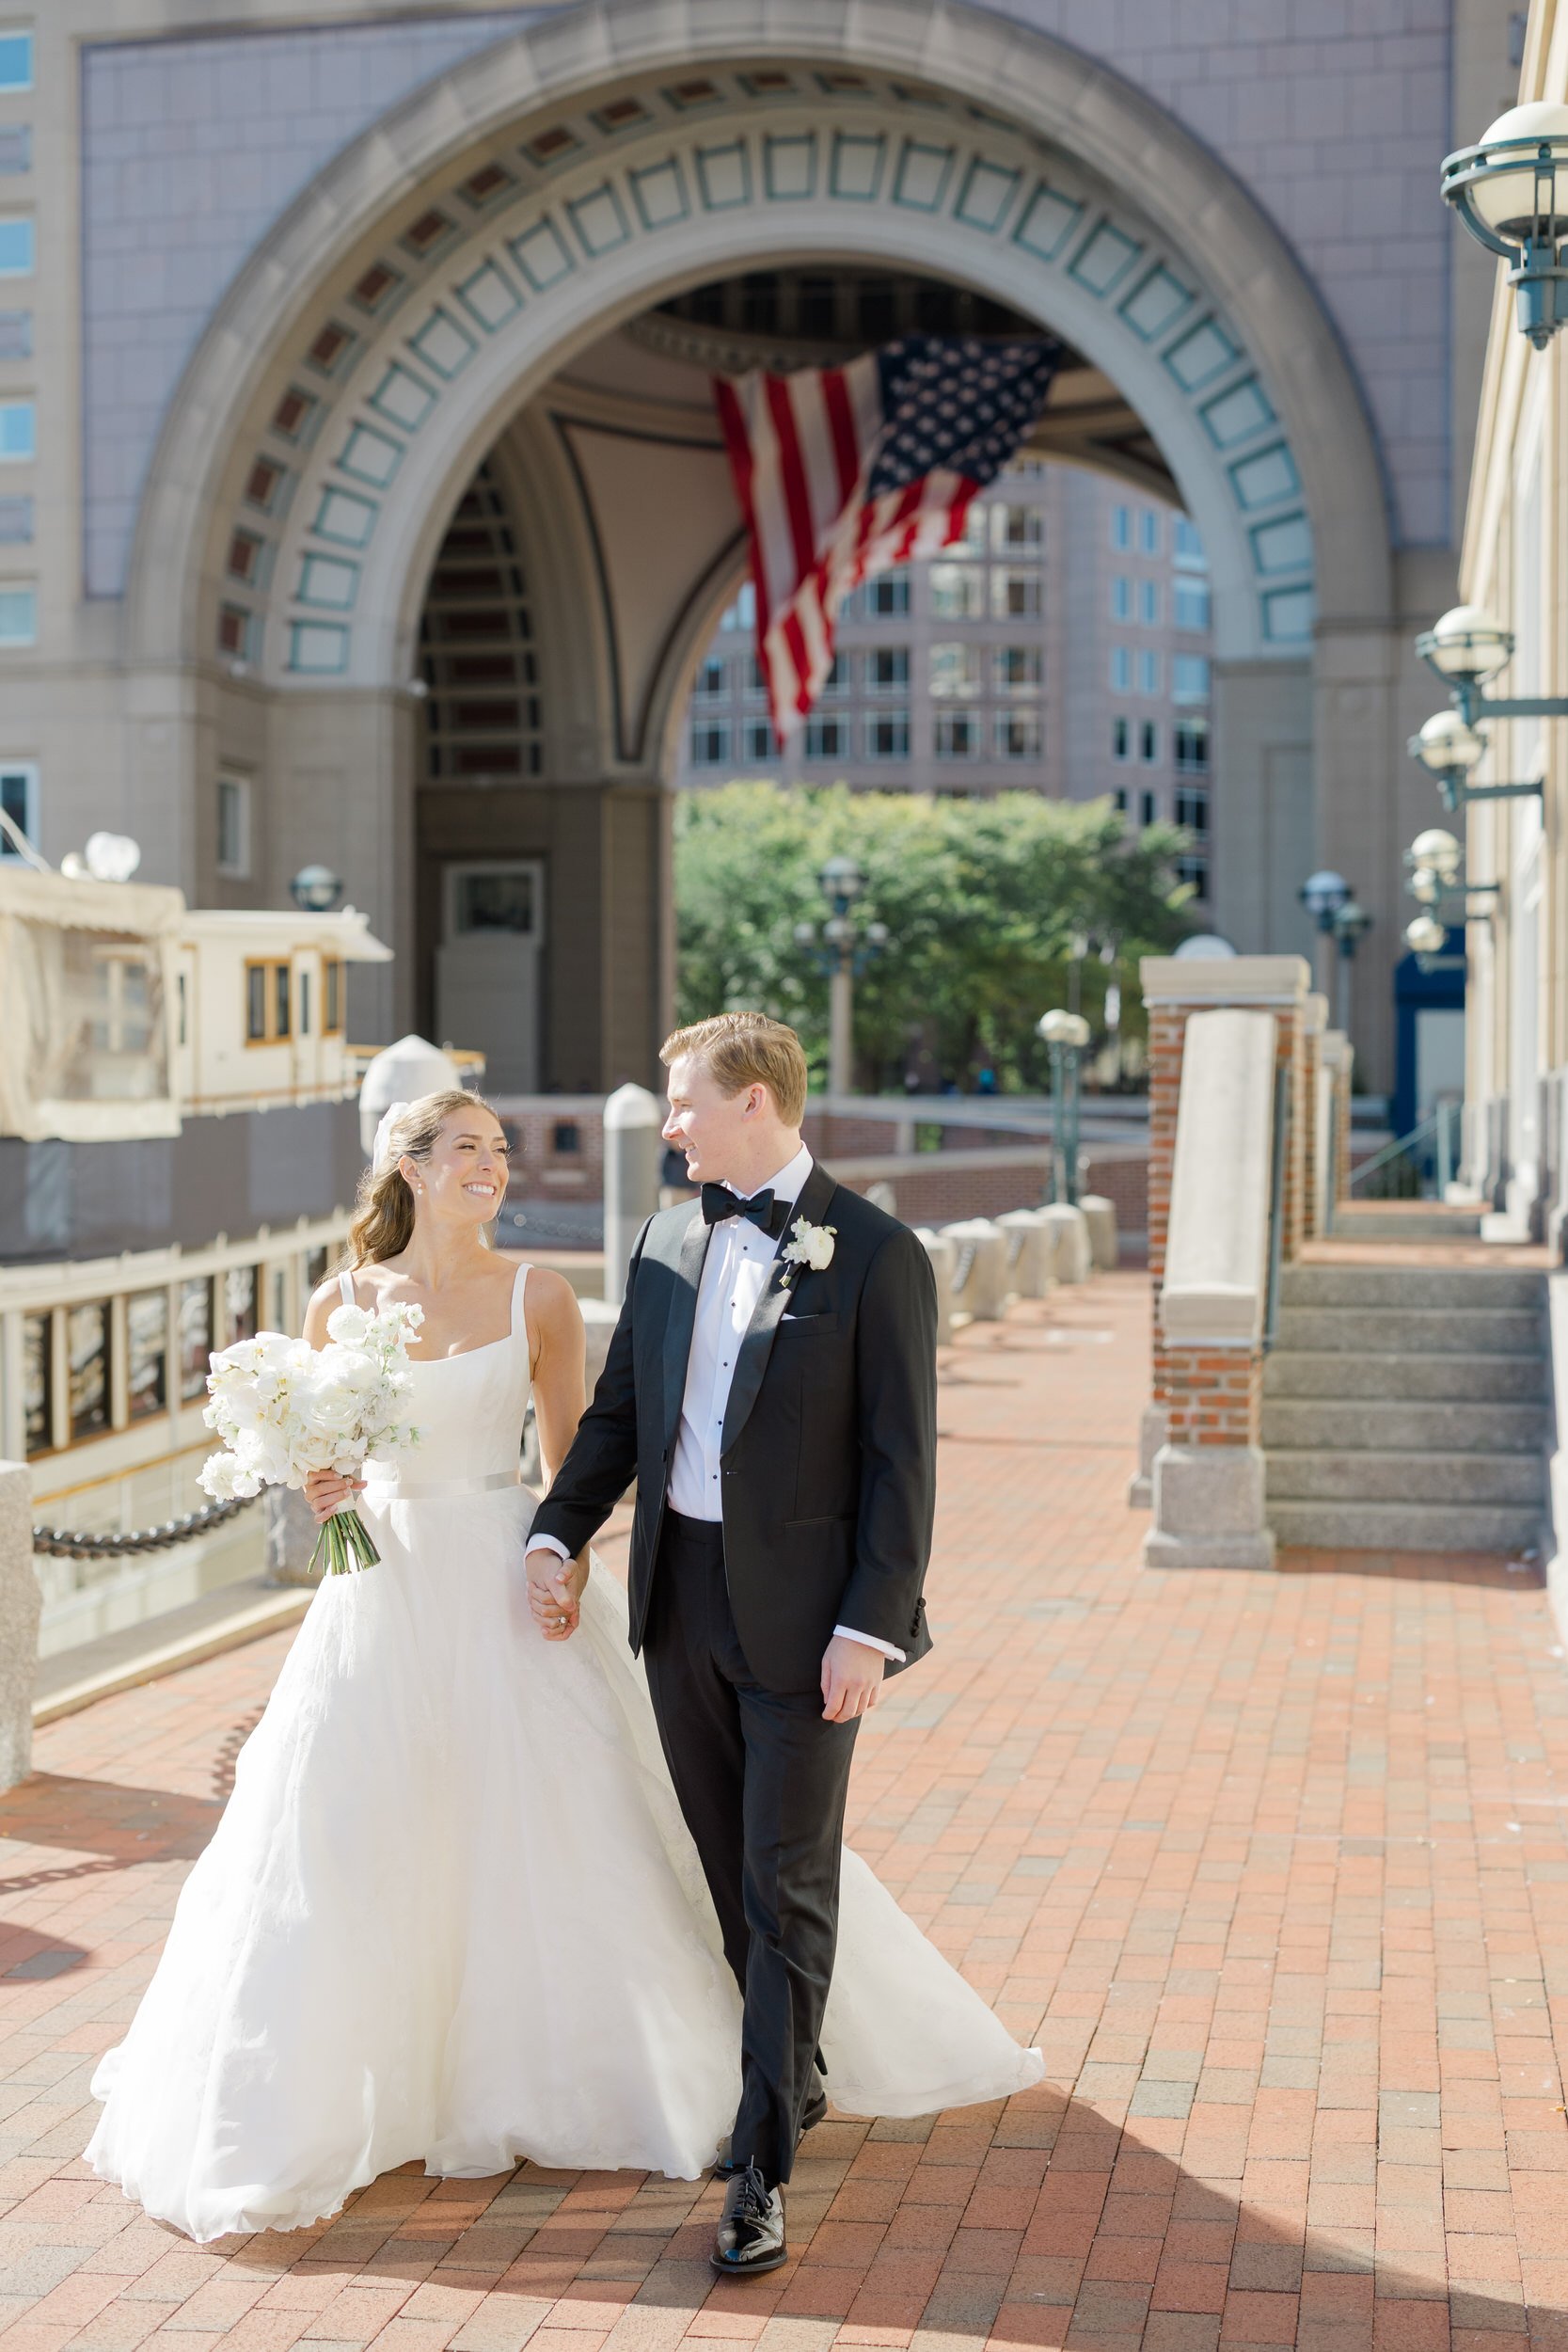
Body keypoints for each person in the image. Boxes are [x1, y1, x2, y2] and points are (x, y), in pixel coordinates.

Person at [86, 1084, 1041, 2248]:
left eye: (498, 1150)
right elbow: (331, 1452)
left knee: (561, 1819)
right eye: (468, 1151)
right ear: (410, 1168)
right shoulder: (339, 1299)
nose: (491, 1167)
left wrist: (563, 1554)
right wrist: (323, 1481)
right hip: (376, 1590)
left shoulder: (538, 1294)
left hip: (501, 1573)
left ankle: (718, 2073)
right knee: (355, 1830)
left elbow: (579, 1445)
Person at [524, 1012, 965, 2278]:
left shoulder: (873, 1255)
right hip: (680, 1604)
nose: (668, 1125)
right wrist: (554, 1537)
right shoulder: (667, 1235)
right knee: (726, 1871)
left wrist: (867, 1631)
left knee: (784, 1883)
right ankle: (799, 2070)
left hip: (808, 1623)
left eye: (681, 1104)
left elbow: (901, 1469)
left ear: (756, 1101)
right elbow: (617, 1420)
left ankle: (762, 2160)